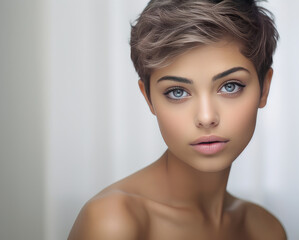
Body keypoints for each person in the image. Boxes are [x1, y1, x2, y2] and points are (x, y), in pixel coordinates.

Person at [68, 0, 285, 239]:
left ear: (264, 88)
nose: (206, 117)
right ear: (148, 98)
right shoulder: (113, 222)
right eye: (177, 92)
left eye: (230, 86)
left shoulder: (265, 230)